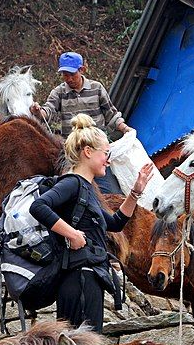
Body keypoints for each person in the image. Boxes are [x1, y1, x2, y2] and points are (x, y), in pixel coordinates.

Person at [29, 113, 154, 332]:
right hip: (78, 277)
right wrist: (72, 234)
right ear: (88, 152)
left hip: (89, 275)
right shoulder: (72, 183)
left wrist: (135, 193)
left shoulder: (88, 191)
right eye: (106, 153)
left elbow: (115, 224)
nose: (108, 159)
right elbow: (38, 207)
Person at [30, 51, 131, 194]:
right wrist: (37, 111)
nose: (69, 79)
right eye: (65, 75)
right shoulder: (59, 92)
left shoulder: (96, 88)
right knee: (73, 192)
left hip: (97, 150)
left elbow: (111, 114)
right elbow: (48, 112)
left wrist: (126, 129)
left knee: (108, 192)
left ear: (82, 70)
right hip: (73, 154)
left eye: (72, 74)